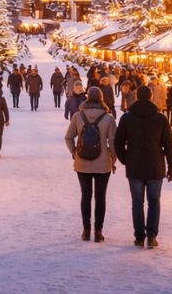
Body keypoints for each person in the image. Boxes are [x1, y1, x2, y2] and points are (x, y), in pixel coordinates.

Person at [114, 85, 172, 248]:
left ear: (136, 97)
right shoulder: (160, 118)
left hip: (134, 166)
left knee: (137, 202)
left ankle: (139, 237)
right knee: (154, 201)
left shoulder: (127, 118)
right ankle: (151, 236)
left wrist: (125, 159)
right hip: (155, 166)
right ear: (151, 97)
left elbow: (118, 142)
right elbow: (169, 144)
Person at [64, 86, 117, 242]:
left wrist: (74, 152)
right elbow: (113, 143)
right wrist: (112, 160)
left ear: (87, 97)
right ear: (101, 98)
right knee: (101, 197)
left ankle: (86, 230)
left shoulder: (78, 116)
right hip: (102, 163)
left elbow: (68, 137)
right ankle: (98, 231)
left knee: (85, 196)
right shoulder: (108, 118)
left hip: (82, 162)